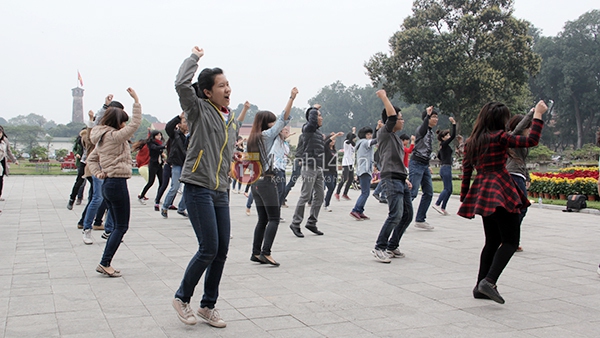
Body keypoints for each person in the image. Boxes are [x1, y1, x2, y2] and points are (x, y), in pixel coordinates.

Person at [172, 46, 238, 328]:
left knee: (221, 249)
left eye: (228, 84)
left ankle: (207, 306)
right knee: (208, 247)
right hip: (198, 185)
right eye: (221, 85)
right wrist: (194, 59)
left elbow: (222, 146)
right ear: (208, 91)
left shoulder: (229, 117)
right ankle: (181, 297)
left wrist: (231, 156)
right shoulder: (198, 109)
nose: (227, 88)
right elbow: (180, 84)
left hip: (220, 188)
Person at [458, 100, 547, 304]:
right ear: (501, 119)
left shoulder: (472, 141)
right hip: (500, 187)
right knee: (510, 241)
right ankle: (489, 281)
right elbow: (532, 140)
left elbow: (466, 171)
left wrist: (465, 196)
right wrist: (538, 115)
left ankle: (480, 286)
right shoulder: (500, 137)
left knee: (491, 241)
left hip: (483, 189)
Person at [87, 87, 142, 277]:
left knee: (118, 225)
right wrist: (136, 100)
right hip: (116, 184)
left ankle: (105, 261)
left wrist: (99, 173)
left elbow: (92, 159)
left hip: (109, 184)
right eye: (123, 122)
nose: (125, 125)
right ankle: (105, 262)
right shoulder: (113, 136)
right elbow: (135, 124)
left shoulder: (102, 137)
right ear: (117, 122)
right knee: (121, 227)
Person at [247, 87, 297, 266]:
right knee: (274, 218)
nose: (276, 125)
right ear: (267, 123)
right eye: (273, 122)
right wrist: (291, 97)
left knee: (263, 219)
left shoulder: (252, 139)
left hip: (256, 183)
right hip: (267, 182)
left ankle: (255, 252)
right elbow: (283, 118)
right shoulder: (266, 136)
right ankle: (265, 252)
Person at [371, 90, 413, 263]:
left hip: (400, 178)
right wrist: (384, 97)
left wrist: (405, 177)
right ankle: (379, 247)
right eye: (400, 118)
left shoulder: (395, 138)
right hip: (390, 179)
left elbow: (398, 161)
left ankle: (392, 245)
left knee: (407, 215)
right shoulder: (385, 133)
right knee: (395, 214)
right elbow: (392, 117)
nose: (401, 121)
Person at [289, 104, 326, 238]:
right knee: (305, 195)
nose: (321, 118)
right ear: (314, 117)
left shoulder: (318, 133)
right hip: (309, 167)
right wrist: (313, 109)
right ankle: (295, 223)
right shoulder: (307, 128)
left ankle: (311, 222)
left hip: (318, 168)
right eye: (319, 115)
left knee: (320, 196)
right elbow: (311, 122)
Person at [506, 109, 535, 252]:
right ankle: (509, 239)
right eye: (528, 127)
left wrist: (528, 177)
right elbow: (517, 129)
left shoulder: (520, 143)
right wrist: (532, 113)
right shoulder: (511, 137)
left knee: (518, 209)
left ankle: (510, 238)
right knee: (521, 208)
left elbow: (522, 161)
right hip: (513, 175)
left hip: (520, 176)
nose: (530, 130)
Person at [409, 106, 438, 230]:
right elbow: (424, 127)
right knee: (412, 192)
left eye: (437, 117)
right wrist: (427, 114)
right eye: (433, 117)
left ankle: (420, 219)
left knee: (429, 192)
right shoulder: (421, 130)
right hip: (416, 163)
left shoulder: (431, 132)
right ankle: (400, 218)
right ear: (427, 119)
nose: (436, 119)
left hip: (425, 164)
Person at [160, 112, 190, 218]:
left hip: (187, 165)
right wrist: (178, 117)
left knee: (189, 188)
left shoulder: (190, 135)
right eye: (184, 122)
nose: (186, 124)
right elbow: (168, 127)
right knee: (175, 187)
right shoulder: (175, 134)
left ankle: (182, 208)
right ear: (179, 124)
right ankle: (165, 206)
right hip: (177, 164)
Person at [350, 126, 379, 220]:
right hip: (365, 170)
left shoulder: (361, 143)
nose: (370, 136)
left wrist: (377, 130)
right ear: (364, 135)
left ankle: (360, 211)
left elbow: (374, 140)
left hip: (362, 170)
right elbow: (375, 140)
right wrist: (383, 132)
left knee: (365, 192)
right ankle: (356, 210)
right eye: (368, 134)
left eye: (371, 134)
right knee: (365, 192)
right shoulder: (365, 142)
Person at [432, 117, 457, 215]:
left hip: (445, 167)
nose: (449, 136)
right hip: (445, 167)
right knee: (447, 188)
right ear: (443, 138)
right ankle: (437, 203)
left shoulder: (442, 146)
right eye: (447, 135)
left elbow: (439, 156)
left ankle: (443, 208)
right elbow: (454, 136)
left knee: (449, 190)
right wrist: (454, 124)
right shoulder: (444, 144)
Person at [138, 130, 166, 206]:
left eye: (160, 135)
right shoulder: (151, 143)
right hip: (153, 164)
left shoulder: (160, 143)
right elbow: (155, 148)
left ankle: (158, 198)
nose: (159, 137)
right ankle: (141, 196)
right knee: (150, 182)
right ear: (153, 136)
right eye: (157, 135)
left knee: (162, 182)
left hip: (159, 164)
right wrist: (164, 147)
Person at [66, 128, 87, 210]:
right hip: (83, 162)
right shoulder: (80, 141)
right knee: (80, 181)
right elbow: (74, 150)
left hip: (92, 163)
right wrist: (77, 154)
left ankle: (80, 198)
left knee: (95, 184)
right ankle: (74, 198)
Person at [323, 132, 344, 212]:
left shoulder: (334, 150)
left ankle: (325, 200)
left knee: (333, 187)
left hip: (334, 171)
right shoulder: (325, 148)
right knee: (330, 187)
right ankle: (326, 204)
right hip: (326, 171)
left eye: (334, 140)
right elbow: (326, 142)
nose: (333, 141)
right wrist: (336, 134)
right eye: (332, 140)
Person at [335, 129, 356, 201]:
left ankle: (345, 193)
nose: (354, 139)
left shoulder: (352, 144)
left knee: (351, 179)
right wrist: (353, 131)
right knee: (344, 178)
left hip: (351, 163)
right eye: (353, 138)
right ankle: (337, 193)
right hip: (346, 163)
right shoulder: (346, 142)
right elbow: (349, 140)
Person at [0, 125, 19, 202]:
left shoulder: (5, 141)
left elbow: (8, 152)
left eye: (0, 132)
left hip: (1, 162)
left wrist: (14, 160)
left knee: (0, 180)